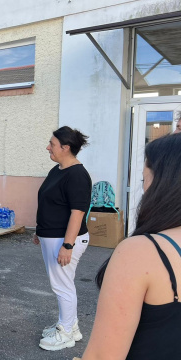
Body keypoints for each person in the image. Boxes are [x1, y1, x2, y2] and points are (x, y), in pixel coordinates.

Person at [82, 133, 181, 359]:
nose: (144, 189)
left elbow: (102, 355)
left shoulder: (142, 252)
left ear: (163, 184)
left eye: (144, 178)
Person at [33, 126, 92, 351]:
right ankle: (70, 326)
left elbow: (77, 213)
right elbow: (51, 204)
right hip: (52, 237)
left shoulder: (77, 175)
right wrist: (40, 231)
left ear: (65, 148)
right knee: (63, 284)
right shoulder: (58, 169)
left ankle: (65, 333)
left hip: (65, 240)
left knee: (62, 286)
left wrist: (67, 245)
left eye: (52, 144)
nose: (48, 147)